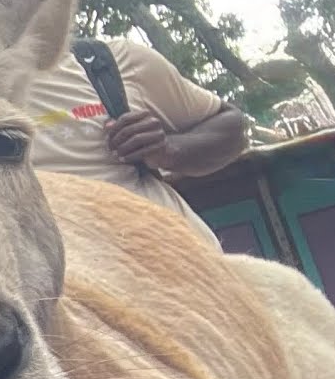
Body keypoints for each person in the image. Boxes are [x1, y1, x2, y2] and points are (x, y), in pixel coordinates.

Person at [24, 38, 249, 248]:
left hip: (182, 267)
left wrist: (168, 150)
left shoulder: (105, 62)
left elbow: (234, 129)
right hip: (65, 283)